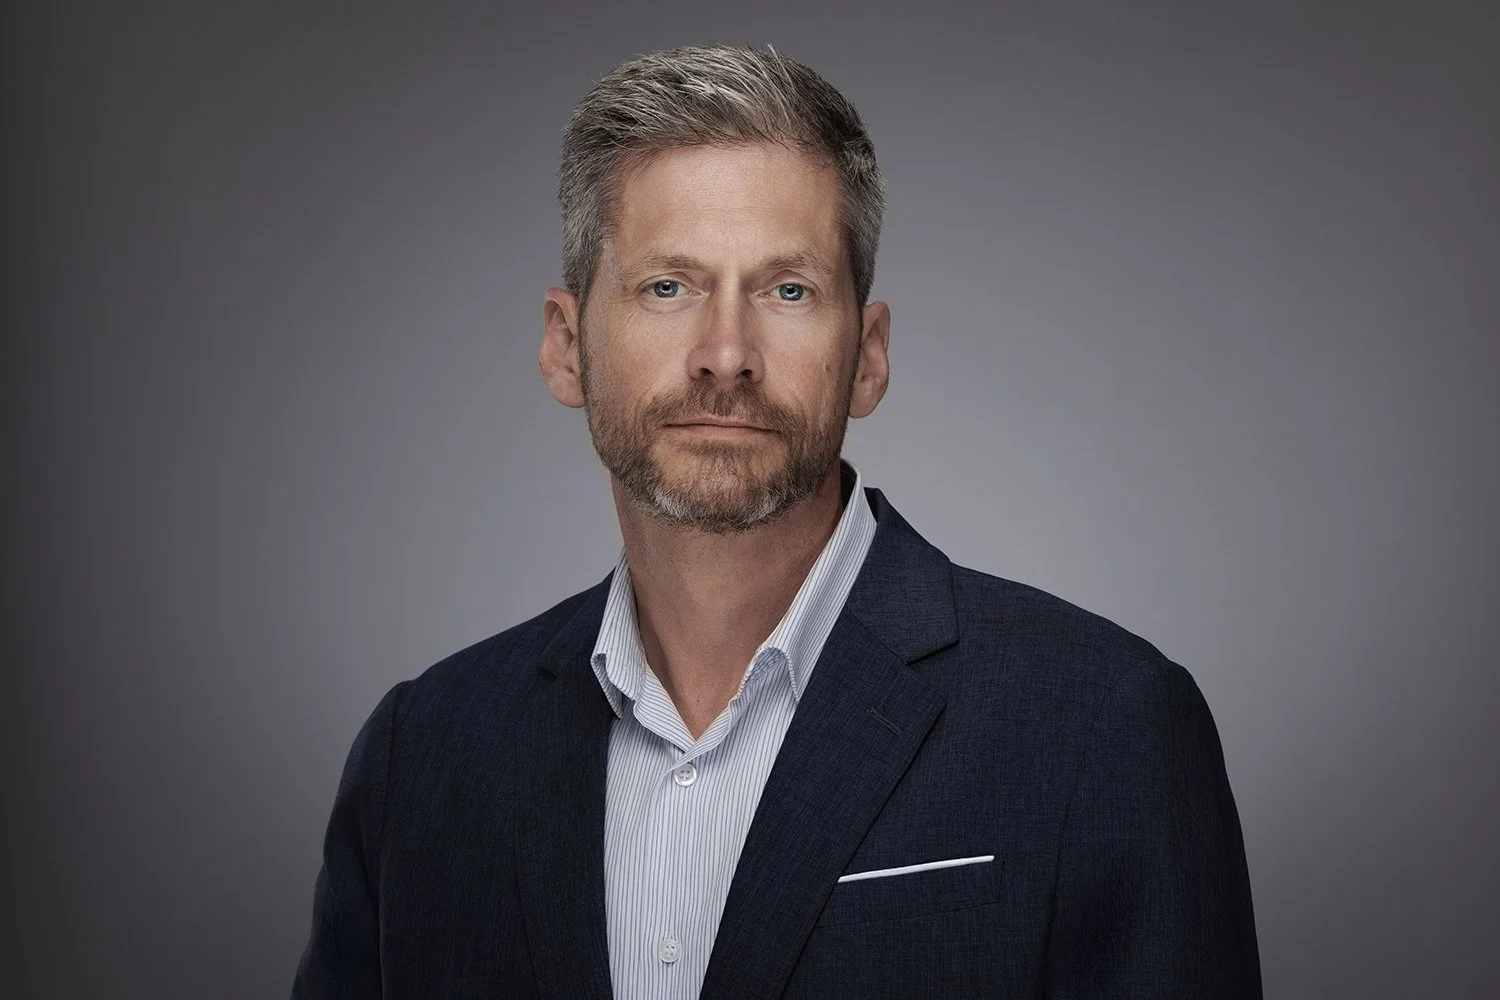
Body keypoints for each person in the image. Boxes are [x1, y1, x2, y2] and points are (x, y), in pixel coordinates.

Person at [291, 43, 1262, 999]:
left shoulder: (1102, 726)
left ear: (868, 357)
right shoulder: (422, 756)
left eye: (787, 290)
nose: (726, 354)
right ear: (565, 346)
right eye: (667, 287)